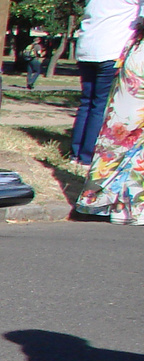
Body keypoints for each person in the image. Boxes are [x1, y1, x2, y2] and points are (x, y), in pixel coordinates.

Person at [70, 0, 144, 166]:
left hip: (87, 44)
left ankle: (75, 151)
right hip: (112, 48)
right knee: (101, 103)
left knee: (87, 100)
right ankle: (87, 155)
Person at [75, 23, 144, 223]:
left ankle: (100, 202)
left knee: (115, 147)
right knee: (135, 151)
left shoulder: (134, 41)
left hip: (126, 95)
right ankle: (130, 209)